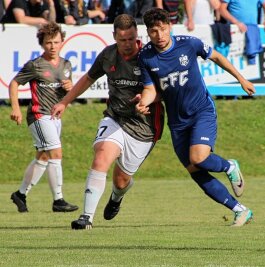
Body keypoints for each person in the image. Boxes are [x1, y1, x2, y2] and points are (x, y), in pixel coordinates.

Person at [136, 8, 255, 227]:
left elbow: (217, 57)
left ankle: (229, 166)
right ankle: (240, 210)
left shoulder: (188, 44)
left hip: (201, 111)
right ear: (148, 32)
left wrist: (241, 79)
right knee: (195, 170)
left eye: (162, 29)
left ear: (170, 26)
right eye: (154, 31)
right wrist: (144, 102)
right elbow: (151, 89)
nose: (159, 35)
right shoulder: (145, 56)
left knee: (198, 157)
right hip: (177, 122)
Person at [51, 14, 164, 230]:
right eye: (122, 40)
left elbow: (165, 90)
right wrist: (65, 102)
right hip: (115, 118)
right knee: (102, 155)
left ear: (137, 36)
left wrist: (150, 98)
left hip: (144, 128)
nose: (127, 44)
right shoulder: (108, 55)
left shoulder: (150, 57)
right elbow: (87, 79)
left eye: (131, 39)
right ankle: (86, 218)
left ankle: (116, 197)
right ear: (114, 37)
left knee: (121, 180)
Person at [9, 22, 79, 213]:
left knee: (43, 158)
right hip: (39, 116)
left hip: (55, 117)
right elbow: (14, 83)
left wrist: (70, 90)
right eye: (49, 42)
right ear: (42, 44)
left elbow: (67, 95)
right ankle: (59, 200)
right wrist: (15, 108)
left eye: (56, 42)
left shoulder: (66, 65)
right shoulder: (36, 65)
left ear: (62, 41)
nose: (53, 46)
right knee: (56, 153)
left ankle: (20, 194)